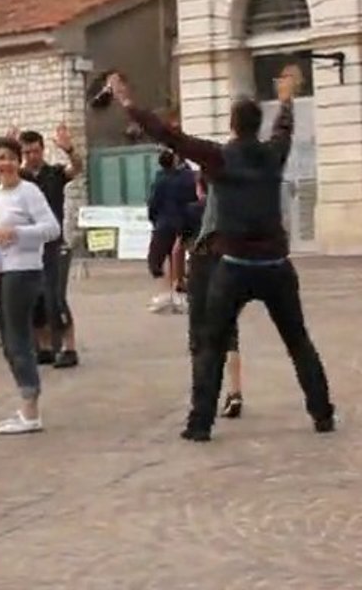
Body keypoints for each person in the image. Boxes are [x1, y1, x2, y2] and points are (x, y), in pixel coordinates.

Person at [109, 70, 335, 442]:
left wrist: (129, 103)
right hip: (277, 265)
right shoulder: (271, 155)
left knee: (211, 344)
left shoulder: (218, 157)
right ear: (255, 125)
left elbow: (169, 135)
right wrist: (287, 99)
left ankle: (200, 424)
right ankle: (322, 412)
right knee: (297, 340)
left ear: (232, 125)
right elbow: (284, 131)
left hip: (235, 266)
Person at [0, 137, 60, 435]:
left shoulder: (29, 192)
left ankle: (31, 410)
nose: (5, 164)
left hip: (23, 272)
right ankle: (25, 403)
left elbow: (51, 229)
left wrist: (14, 233)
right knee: (8, 341)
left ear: (20, 162)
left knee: (18, 340)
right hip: (1, 271)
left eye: (10, 158)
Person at [17, 126, 82, 369]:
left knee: (55, 297)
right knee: (36, 298)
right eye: (26, 152)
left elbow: (76, 168)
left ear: (43, 150)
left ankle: (69, 347)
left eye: (35, 151)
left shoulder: (54, 173)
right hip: (29, 246)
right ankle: (44, 348)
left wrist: (69, 150)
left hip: (55, 245)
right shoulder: (21, 177)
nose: (32, 156)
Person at [187, 172, 244, 419]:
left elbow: (179, 246)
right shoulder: (234, 212)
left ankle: (201, 396)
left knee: (199, 338)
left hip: (201, 272)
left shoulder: (191, 211)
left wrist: (177, 278)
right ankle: (235, 391)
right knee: (230, 335)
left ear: (200, 189)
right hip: (228, 271)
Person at [146, 148, 197, 314]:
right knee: (179, 257)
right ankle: (179, 293)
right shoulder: (189, 177)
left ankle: (168, 294)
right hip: (185, 222)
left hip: (165, 224)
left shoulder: (160, 179)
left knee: (160, 260)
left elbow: (153, 202)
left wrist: (154, 219)